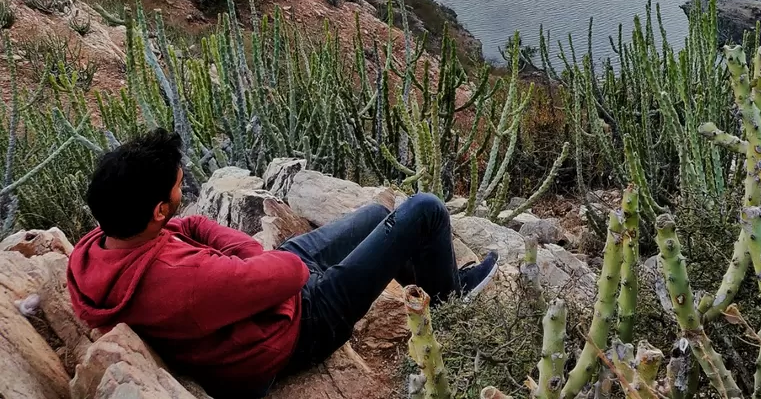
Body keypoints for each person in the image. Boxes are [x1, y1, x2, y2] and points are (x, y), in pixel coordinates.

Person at [67, 129, 498, 399]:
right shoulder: (186, 280)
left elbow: (194, 224)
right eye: (180, 188)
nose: (185, 196)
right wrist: (257, 264)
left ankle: (427, 278)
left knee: (374, 217)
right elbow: (288, 273)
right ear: (159, 210)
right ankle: (448, 299)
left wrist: (252, 268)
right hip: (298, 326)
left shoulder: (96, 251)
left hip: (256, 297)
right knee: (424, 209)